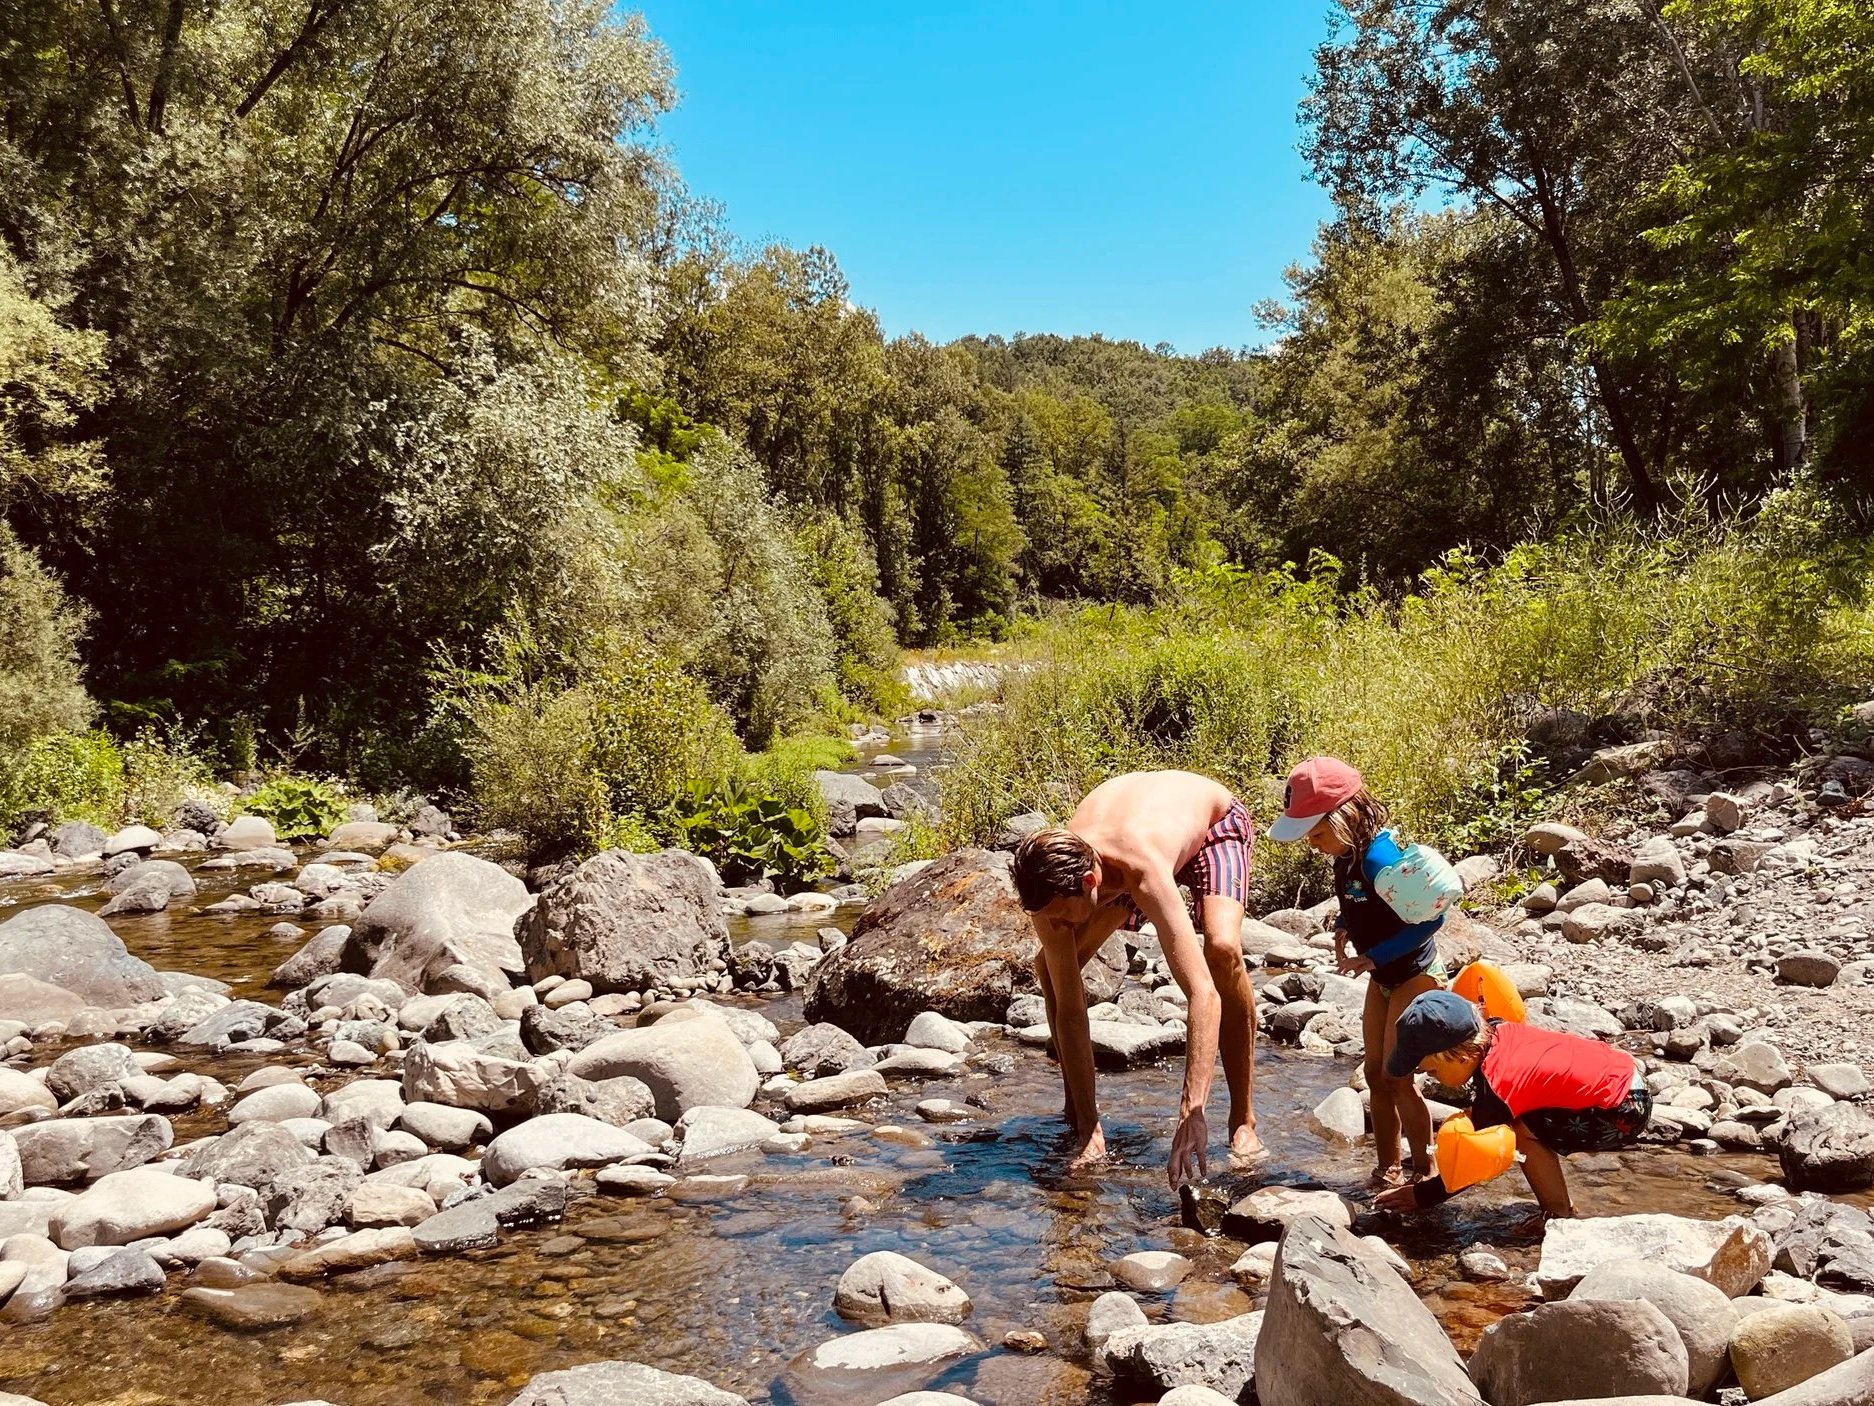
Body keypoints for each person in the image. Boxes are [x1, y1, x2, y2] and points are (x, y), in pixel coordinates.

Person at [1011, 770, 1263, 1187]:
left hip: (1212, 827)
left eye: (1058, 914)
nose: (1053, 924)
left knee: (1220, 950)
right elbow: (1072, 1013)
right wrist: (1091, 1131)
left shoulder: (1140, 866)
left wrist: (1191, 1111)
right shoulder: (1050, 886)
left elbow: (1203, 995)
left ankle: (1243, 1120)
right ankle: (1078, 1114)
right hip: (1122, 857)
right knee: (1055, 969)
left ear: (1090, 883)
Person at [1267, 756, 1461, 1188]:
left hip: (1414, 973)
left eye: (1316, 832)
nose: (1312, 843)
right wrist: (1343, 926)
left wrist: (1373, 957)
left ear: (1346, 817)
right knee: (1374, 1073)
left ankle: (1424, 1168)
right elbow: (1358, 903)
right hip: (1384, 977)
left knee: (1397, 1074)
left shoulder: (1380, 859)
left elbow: (1429, 921)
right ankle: (1387, 1167)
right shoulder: (1346, 857)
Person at [1375, 988, 1651, 1221]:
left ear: (1459, 1055)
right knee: (1504, 1118)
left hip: (1621, 1109)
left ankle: (1558, 1215)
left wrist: (1421, 1196)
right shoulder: (1497, 1031)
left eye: (1432, 1071)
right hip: (1625, 1075)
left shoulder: (1498, 1085)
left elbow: (1472, 1162)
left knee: (1518, 1130)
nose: (1427, 1076)